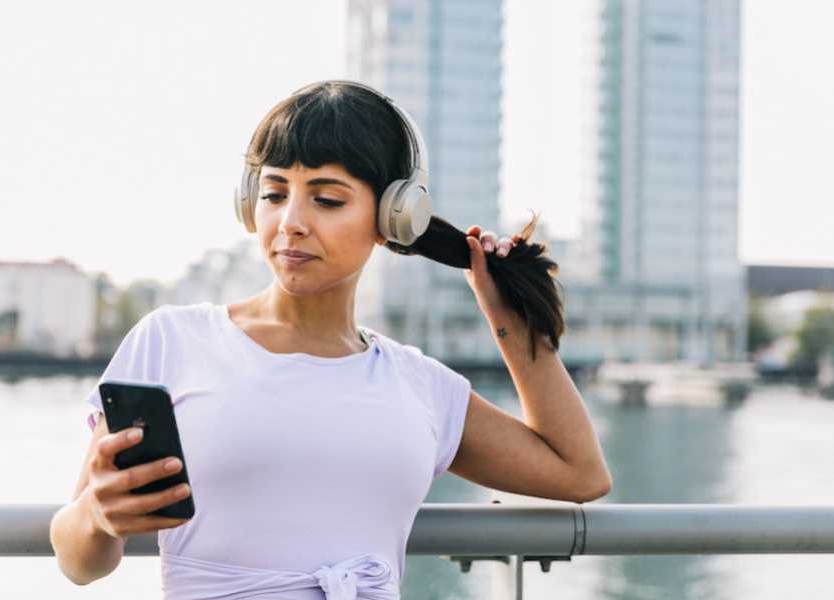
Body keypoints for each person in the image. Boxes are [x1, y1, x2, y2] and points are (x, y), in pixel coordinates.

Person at [49, 79, 612, 599]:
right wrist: (97, 514)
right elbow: (80, 563)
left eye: (327, 199)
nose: (291, 221)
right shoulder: (170, 341)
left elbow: (579, 474)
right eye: (274, 194)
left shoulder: (418, 385)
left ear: (393, 218)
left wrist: (507, 317)